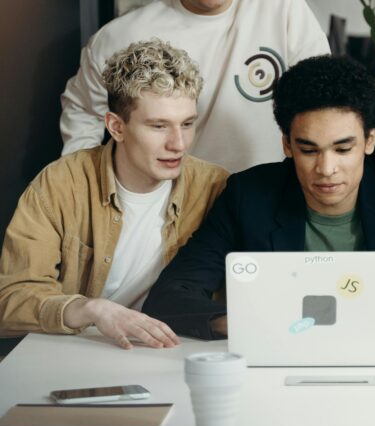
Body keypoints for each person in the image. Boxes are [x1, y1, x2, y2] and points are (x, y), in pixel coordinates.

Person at [142, 55, 375, 339]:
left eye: (343, 149)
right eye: (309, 150)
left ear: (370, 141)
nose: (326, 168)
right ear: (287, 145)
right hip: (280, 360)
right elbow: (172, 296)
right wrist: (244, 325)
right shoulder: (249, 195)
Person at [61, 0, 330, 172]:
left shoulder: (278, 1)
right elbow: (82, 110)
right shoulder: (126, 35)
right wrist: (85, 188)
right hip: (180, 200)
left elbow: (323, 97)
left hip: (270, 195)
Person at [0, 39, 228, 348]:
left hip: (180, 350)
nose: (179, 144)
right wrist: (90, 308)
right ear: (116, 127)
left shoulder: (217, 187)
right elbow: (9, 300)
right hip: (82, 348)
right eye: (159, 126)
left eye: (187, 124)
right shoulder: (60, 184)